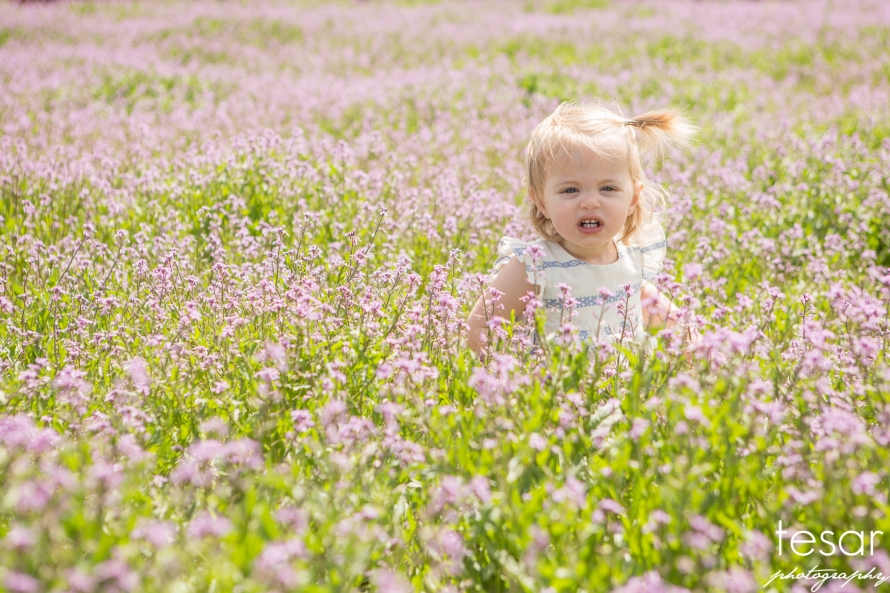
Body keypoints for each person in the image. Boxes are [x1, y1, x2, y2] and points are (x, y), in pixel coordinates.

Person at [466, 100, 696, 357]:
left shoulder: (632, 258)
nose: (590, 202)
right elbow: (479, 329)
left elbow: (669, 319)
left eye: (608, 188)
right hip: (556, 388)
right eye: (570, 190)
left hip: (623, 387)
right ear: (541, 202)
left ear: (633, 198)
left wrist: (698, 348)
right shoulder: (533, 265)